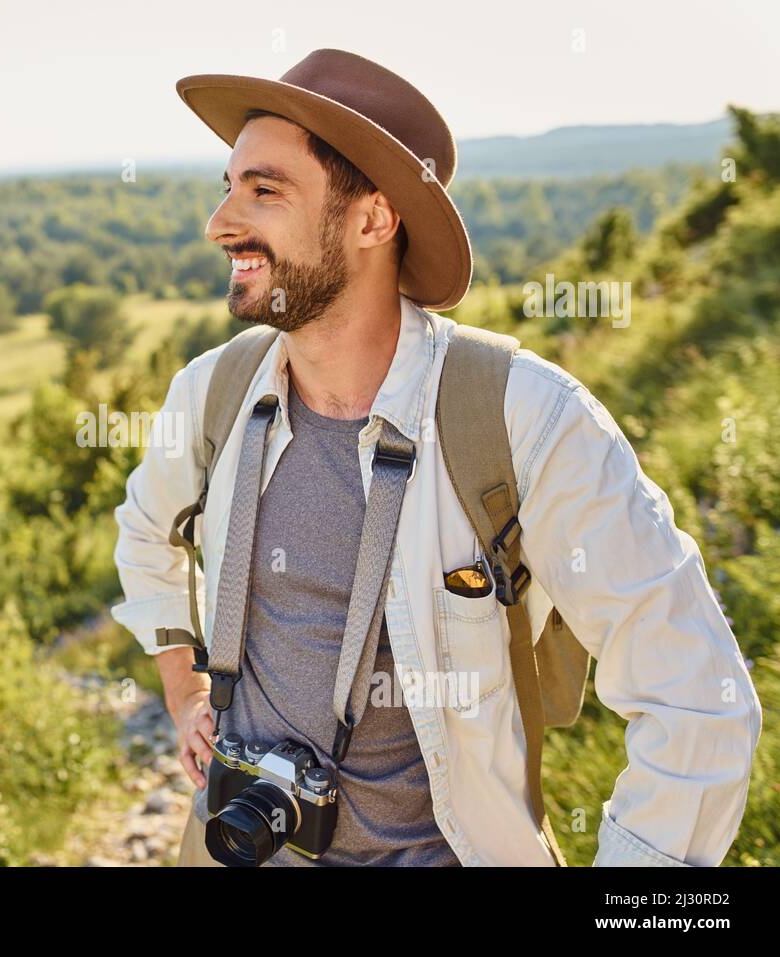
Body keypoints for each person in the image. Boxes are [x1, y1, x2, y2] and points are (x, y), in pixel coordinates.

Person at [110, 49, 761, 866]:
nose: (221, 221)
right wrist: (184, 684)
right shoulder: (214, 393)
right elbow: (144, 533)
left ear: (373, 220)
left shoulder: (524, 418)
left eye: (264, 190)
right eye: (228, 185)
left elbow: (699, 697)